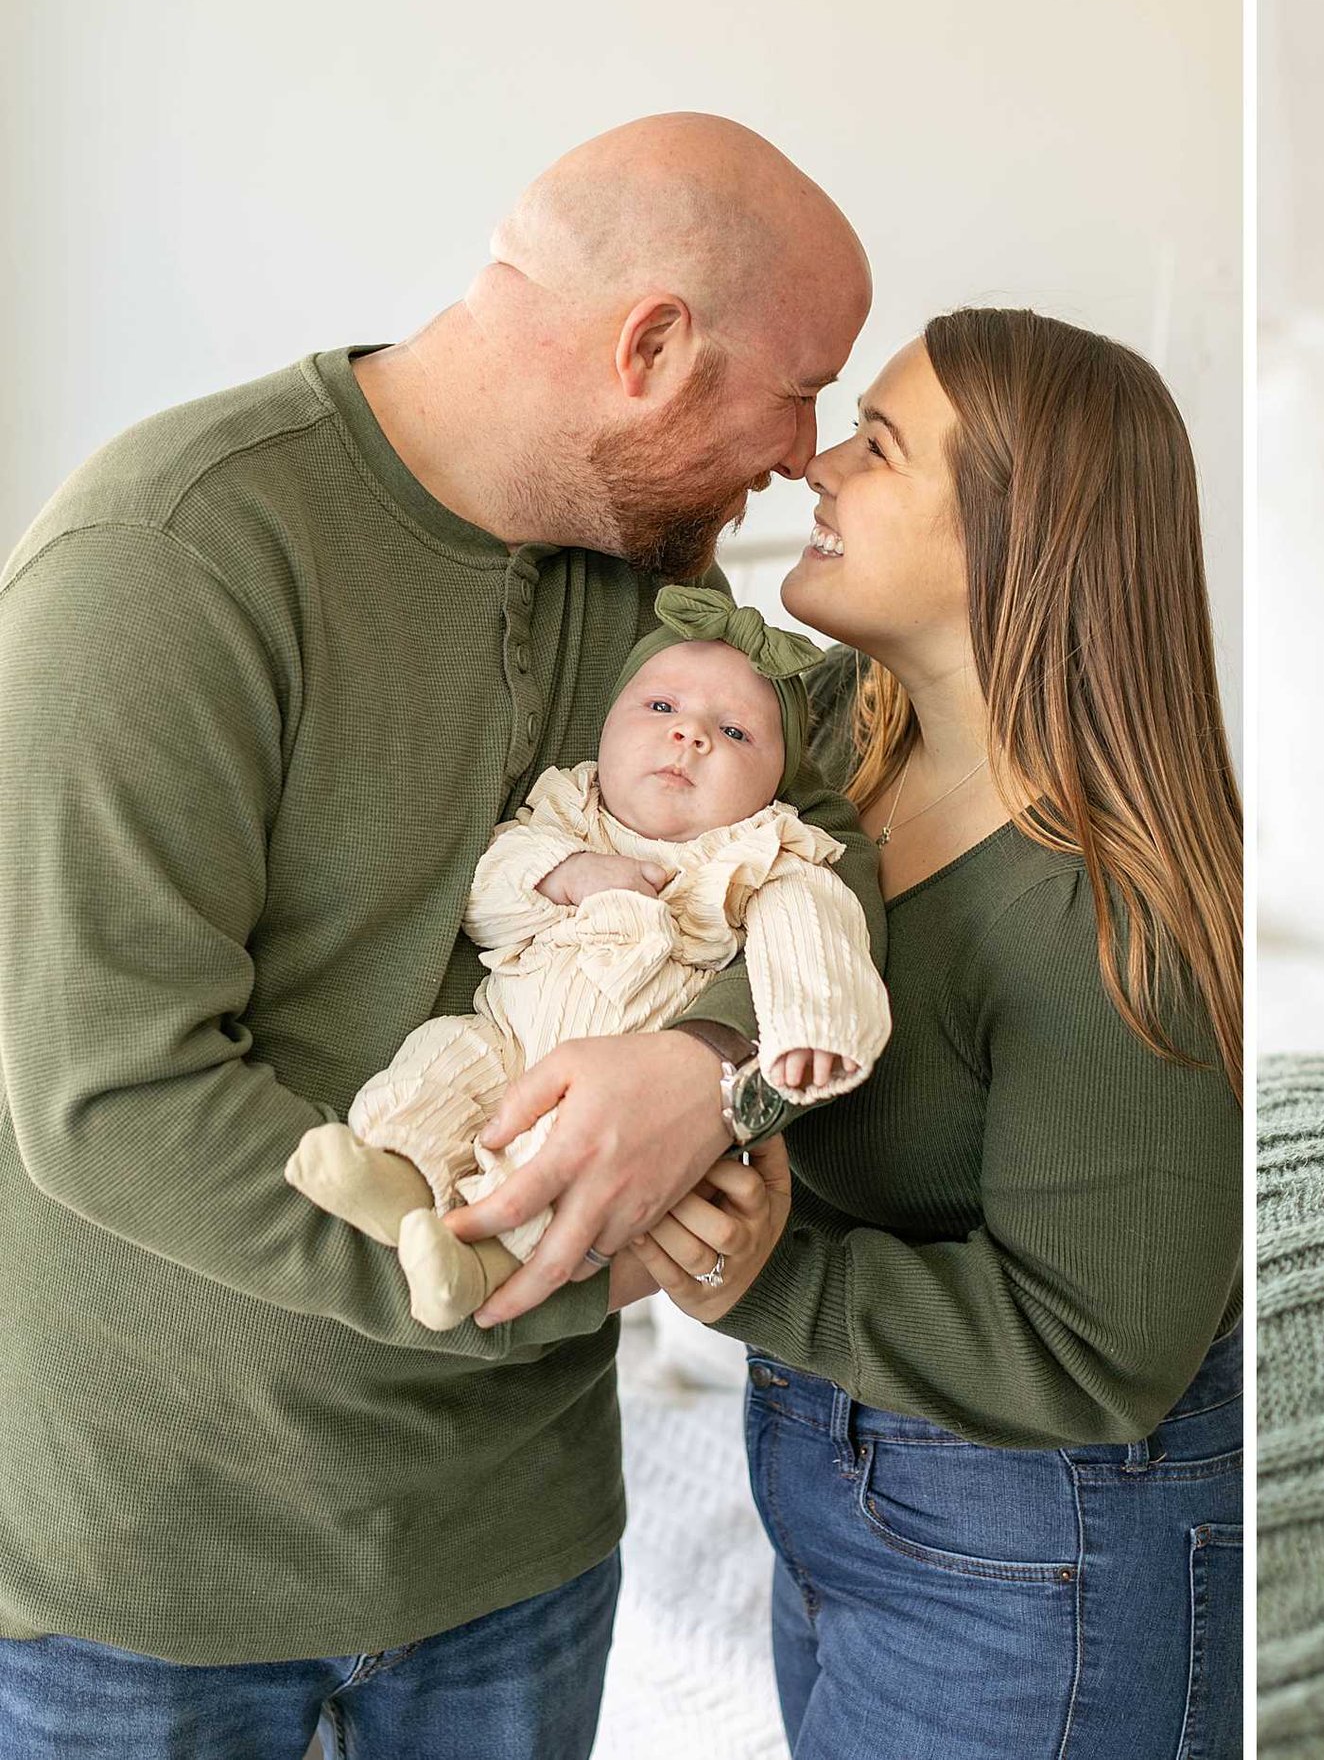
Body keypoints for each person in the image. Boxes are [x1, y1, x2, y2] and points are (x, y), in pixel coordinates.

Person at [0, 114, 879, 1758]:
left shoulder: (665, 609)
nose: (807, 454)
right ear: (654, 347)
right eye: (799, 386)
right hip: (147, 1590)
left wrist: (711, 1073)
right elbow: (108, 1096)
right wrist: (559, 1275)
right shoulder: (172, 555)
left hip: (511, 1566)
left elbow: (825, 872)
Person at [466, 307, 1245, 1757]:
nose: (815, 462)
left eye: (877, 445)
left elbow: (1105, 1352)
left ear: (1019, 538)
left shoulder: (1102, 916)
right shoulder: (843, 751)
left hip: (1047, 1542)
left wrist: (767, 1275)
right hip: (841, 1476)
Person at [286, 587, 887, 1330]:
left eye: (734, 732)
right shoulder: (569, 808)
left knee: (560, 1154)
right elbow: (486, 897)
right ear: (606, 727)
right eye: (661, 708)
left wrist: (813, 1034)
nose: (689, 737)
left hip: (619, 1088)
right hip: (504, 1033)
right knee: (441, 1060)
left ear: (779, 783)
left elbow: (818, 940)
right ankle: (399, 1171)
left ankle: (476, 1263)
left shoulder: (763, 853)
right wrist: (564, 871)